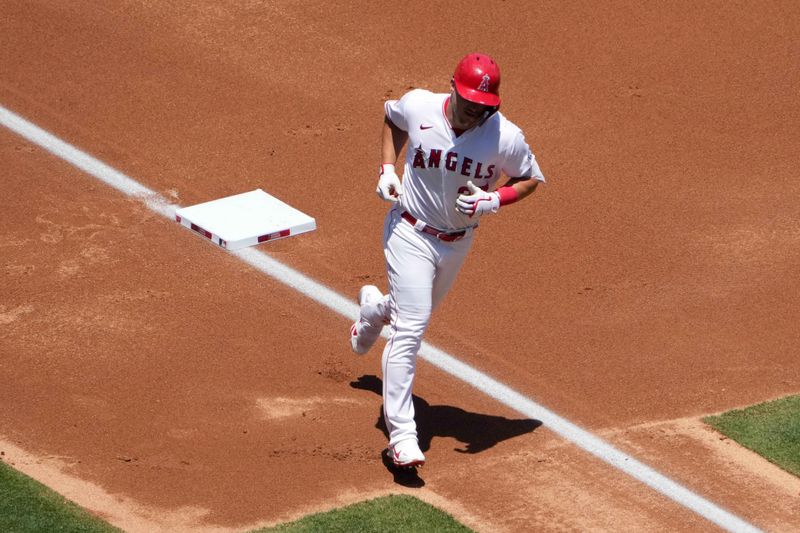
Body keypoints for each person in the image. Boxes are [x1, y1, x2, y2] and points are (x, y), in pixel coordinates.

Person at [349, 52, 546, 468]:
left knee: (406, 314)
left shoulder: (504, 137)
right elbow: (392, 119)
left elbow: (530, 178)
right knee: (412, 328)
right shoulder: (420, 105)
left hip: (456, 244)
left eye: (485, 105)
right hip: (408, 231)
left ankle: (372, 311)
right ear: (453, 87)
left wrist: (495, 199)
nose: (475, 110)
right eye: (470, 100)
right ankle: (402, 436)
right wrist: (388, 168)